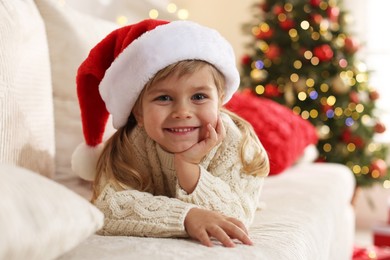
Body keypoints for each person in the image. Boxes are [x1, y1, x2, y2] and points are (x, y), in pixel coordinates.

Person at [72, 19, 269, 248]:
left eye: (198, 97)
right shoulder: (133, 144)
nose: (182, 112)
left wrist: (188, 167)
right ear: (139, 112)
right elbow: (109, 206)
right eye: (164, 98)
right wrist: (186, 216)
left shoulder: (235, 143)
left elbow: (233, 218)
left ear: (220, 99)